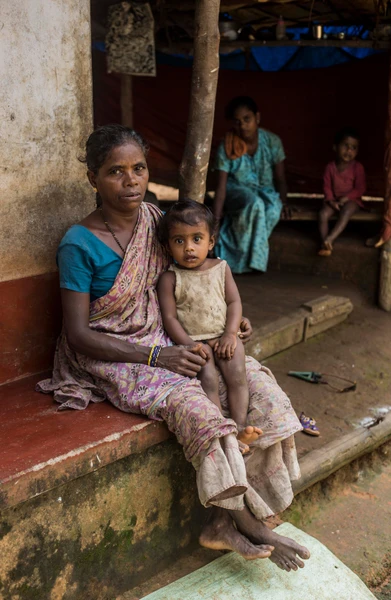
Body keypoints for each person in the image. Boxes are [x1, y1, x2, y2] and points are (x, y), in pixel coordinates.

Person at [37, 124, 310, 570]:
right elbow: (78, 335)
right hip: (111, 352)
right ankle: (239, 521)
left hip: (170, 336)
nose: (130, 181)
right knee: (196, 406)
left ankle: (232, 518)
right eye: (115, 172)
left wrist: (229, 321)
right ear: (92, 178)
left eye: (138, 169)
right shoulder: (78, 244)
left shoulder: (156, 221)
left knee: (257, 384)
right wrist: (154, 356)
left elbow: (196, 279)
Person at [157, 200, 263, 449]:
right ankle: (222, 432)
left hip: (223, 335)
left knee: (237, 376)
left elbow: (234, 301)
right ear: (167, 246)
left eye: (197, 239)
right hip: (195, 342)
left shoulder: (221, 268)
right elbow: (170, 318)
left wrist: (230, 334)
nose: (189, 248)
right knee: (209, 379)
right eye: (179, 241)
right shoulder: (170, 278)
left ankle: (239, 428)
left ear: (211, 242)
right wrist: (190, 345)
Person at [213, 96, 288, 274]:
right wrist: (215, 221)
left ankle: (251, 261)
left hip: (265, 191)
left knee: (273, 207)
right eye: (237, 122)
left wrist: (283, 202)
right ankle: (238, 264)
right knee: (254, 203)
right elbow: (221, 187)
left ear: (257, 118)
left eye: (247, 119)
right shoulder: (227, 146)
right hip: (236, 191)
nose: (243, 126)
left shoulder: (272, 141)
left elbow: (281, 178)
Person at [318, 127, 366, 257]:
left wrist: (346, 198)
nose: (349, 151)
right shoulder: (330, 167)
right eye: (345, 146)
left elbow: (360, 189)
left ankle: (330, 239)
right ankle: (324, 244)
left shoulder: (357, 167)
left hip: (352, 201)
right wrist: (331, 200)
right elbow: (326, 186)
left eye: (353, 148)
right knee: (323, 214)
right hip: (334, 200)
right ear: (335, 147)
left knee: (346, 211)